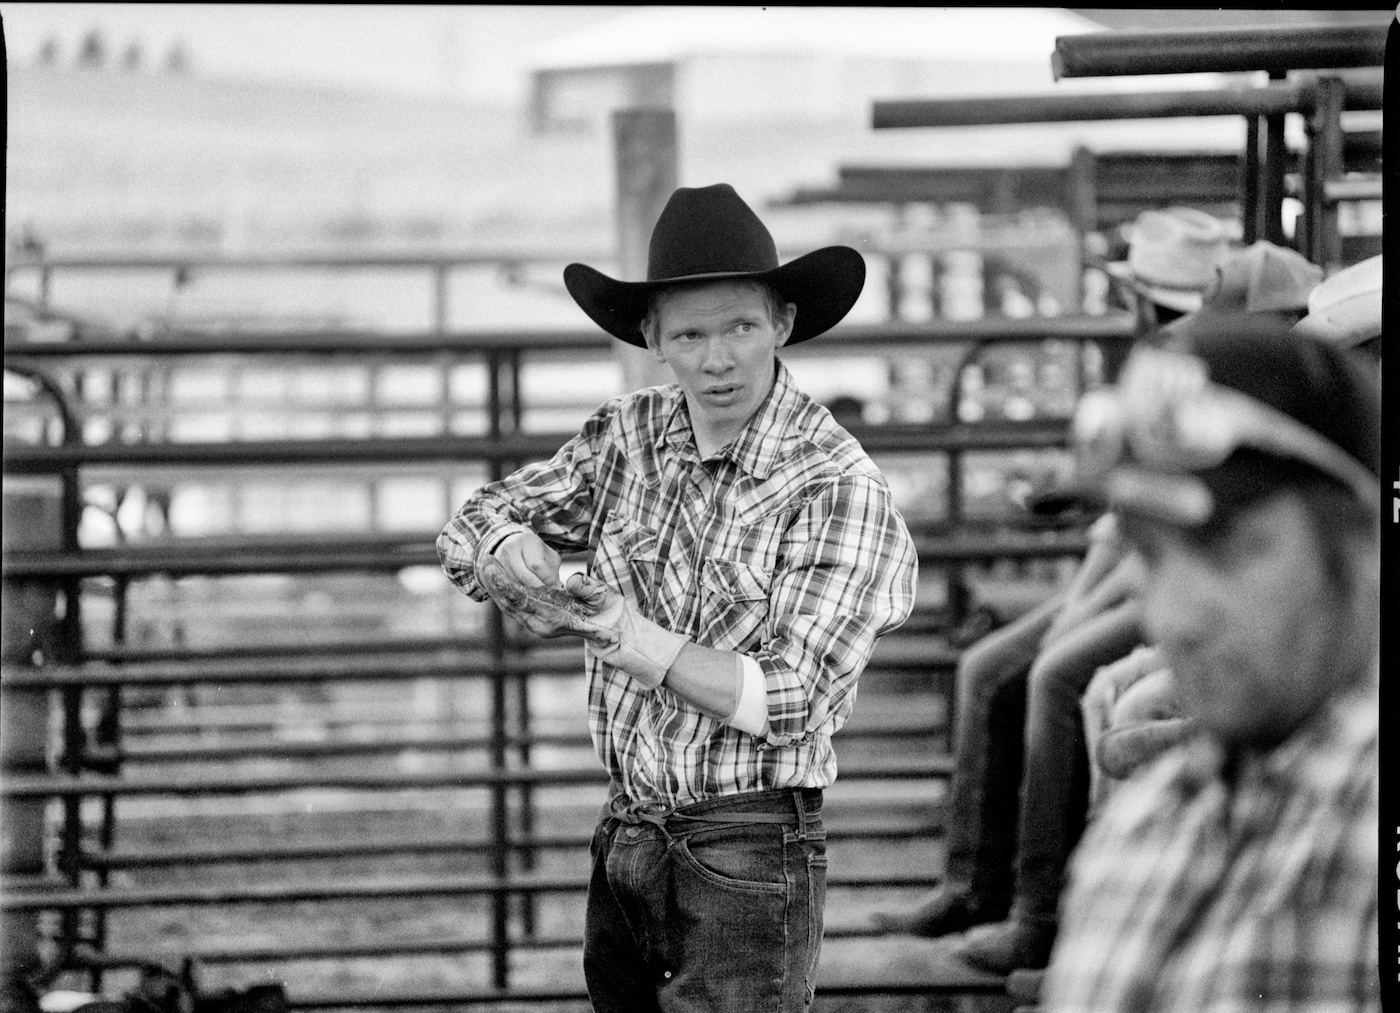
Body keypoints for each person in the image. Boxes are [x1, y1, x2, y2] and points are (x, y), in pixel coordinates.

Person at [436, 183, 918, 1012]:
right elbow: (475, 517)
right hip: (628, 824)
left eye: (739, 327)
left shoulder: (835, 483)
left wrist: (625, 633)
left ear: (782, 324)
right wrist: (509, 547)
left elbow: (792, 697)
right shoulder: (628, 434)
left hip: (750, 842)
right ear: (653, 339)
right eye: (690, 334)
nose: (718, 358)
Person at [1040, 316, 1380, 1011]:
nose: (1172, 617)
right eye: (1151, 552)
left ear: (1361, 546)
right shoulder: (1138, 824)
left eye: (1228, 547)